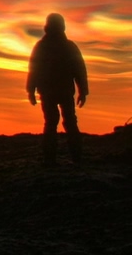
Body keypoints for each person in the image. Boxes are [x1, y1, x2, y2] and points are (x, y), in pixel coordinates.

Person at [26, 12, 88, 166]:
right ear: (63, 27)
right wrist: (83, 91)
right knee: (67, 122)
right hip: (61, 91)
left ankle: (53, 160)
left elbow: (34, 70)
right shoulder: (68, 46)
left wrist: (31, 90)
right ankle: (74, 158)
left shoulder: (42, 47)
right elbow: (79, 70)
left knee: (53, 123)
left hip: (50, 91)